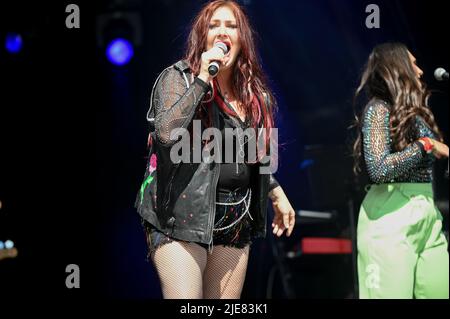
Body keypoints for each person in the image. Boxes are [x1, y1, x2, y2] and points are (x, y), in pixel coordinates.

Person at [136, 0, 295, 299]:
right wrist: (203, 79)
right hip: (179, 219)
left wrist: (275, 192)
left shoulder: (256, 95)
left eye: (231, 26)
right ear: (203, 36)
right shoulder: (177, 78)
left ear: (242, 37)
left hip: (234, 220)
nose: (223, 32)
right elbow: (168, 133)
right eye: (215, 25)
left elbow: (259, 156)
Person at [352, 42, 449, 299]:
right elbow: (380, 169)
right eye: (413, 64)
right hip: (389, 217)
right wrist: (425, 145)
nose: (419, 71)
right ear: (398, 69)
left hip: (427, 213)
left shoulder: (416, 115)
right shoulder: (377, 109)